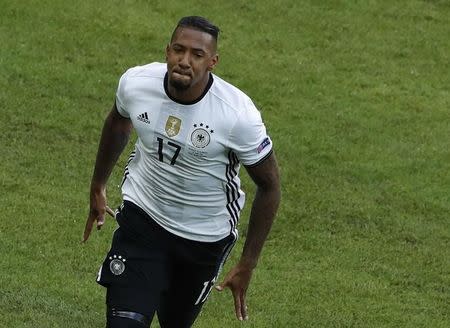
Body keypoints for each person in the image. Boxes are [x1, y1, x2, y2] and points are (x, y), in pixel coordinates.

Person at [83, 16, 280, 328]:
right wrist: (98, 185)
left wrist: (248, 263)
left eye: (197, 55)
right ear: (167, 51)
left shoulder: (237, 116)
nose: (185, 61)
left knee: (175, 321)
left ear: (212, 61)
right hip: (142, 219)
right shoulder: (137, 83)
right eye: (179, 50)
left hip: (203, 237)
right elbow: (118, 122)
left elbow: (269, 186)